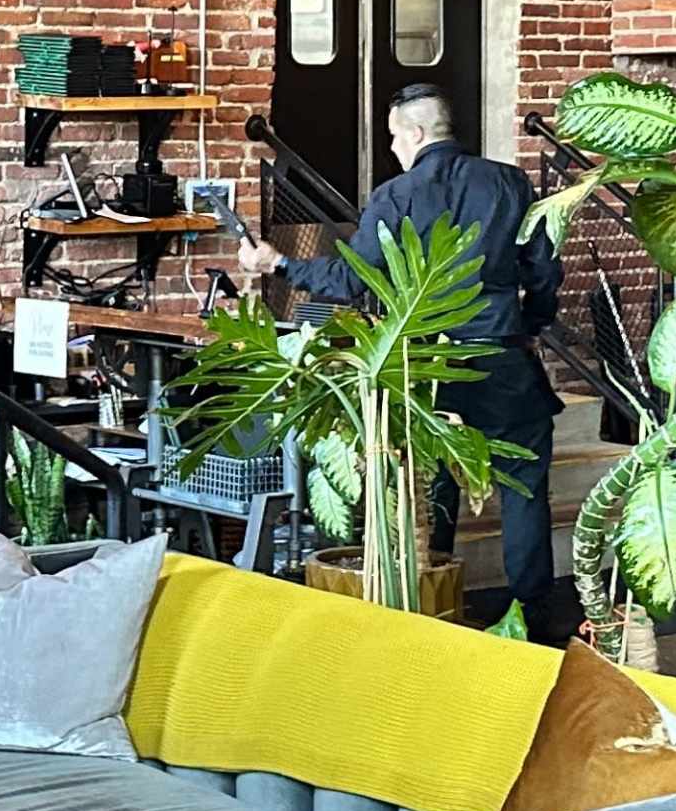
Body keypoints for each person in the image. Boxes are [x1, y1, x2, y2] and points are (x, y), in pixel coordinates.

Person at [238, 86, 569, 637]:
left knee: (431, 482)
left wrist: (277, 264)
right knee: (524, 488)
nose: (392, 146)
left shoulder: (395, 196)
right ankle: (534, 619)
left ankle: (432, 604)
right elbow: (543, 268)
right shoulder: (509, 182)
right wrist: (530, 324)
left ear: (415, 134)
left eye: (393, 135)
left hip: (425, 366)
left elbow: (352, 280)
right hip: (502, 356)